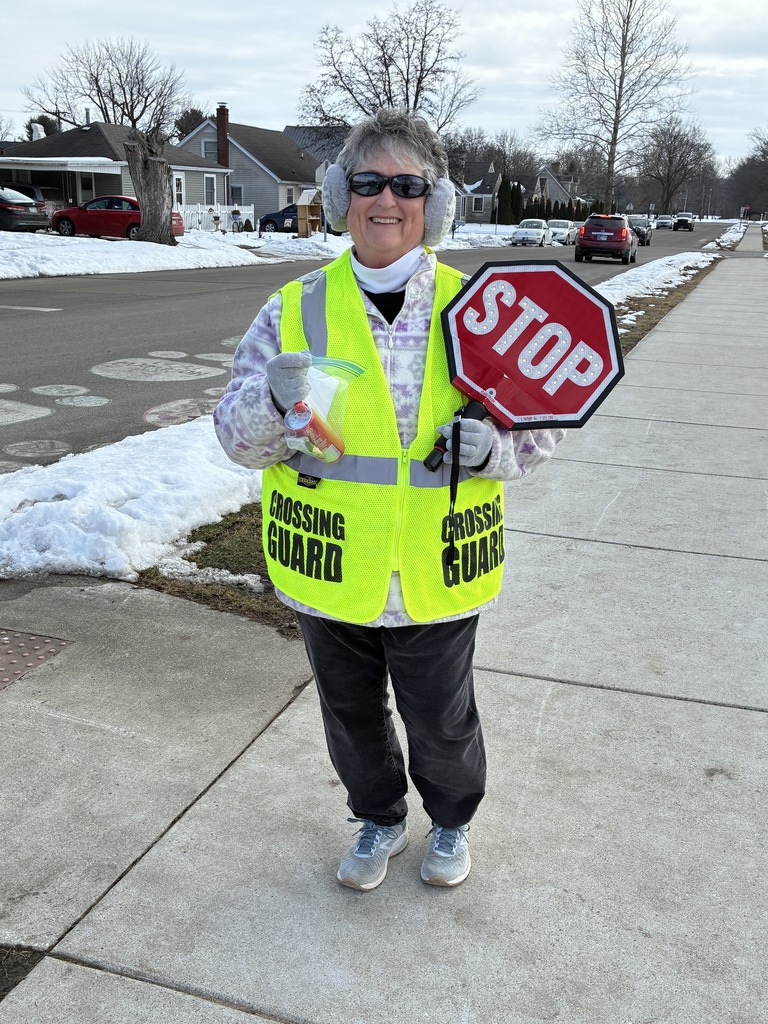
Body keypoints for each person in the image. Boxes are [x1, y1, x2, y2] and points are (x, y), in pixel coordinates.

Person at [214, 108, 564, 891]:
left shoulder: (481, 310)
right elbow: (235, 440)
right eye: (369, 181)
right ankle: (377, 819)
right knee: (352, 720)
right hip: (331, 563)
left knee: (442, 722)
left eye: (408, 185)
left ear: (433, 205)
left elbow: (543, 426)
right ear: (342, 193)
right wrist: (271, 404)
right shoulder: (295, 309)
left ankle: (450, 822)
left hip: (437, 567)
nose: (387, 200)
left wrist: (498, 450)